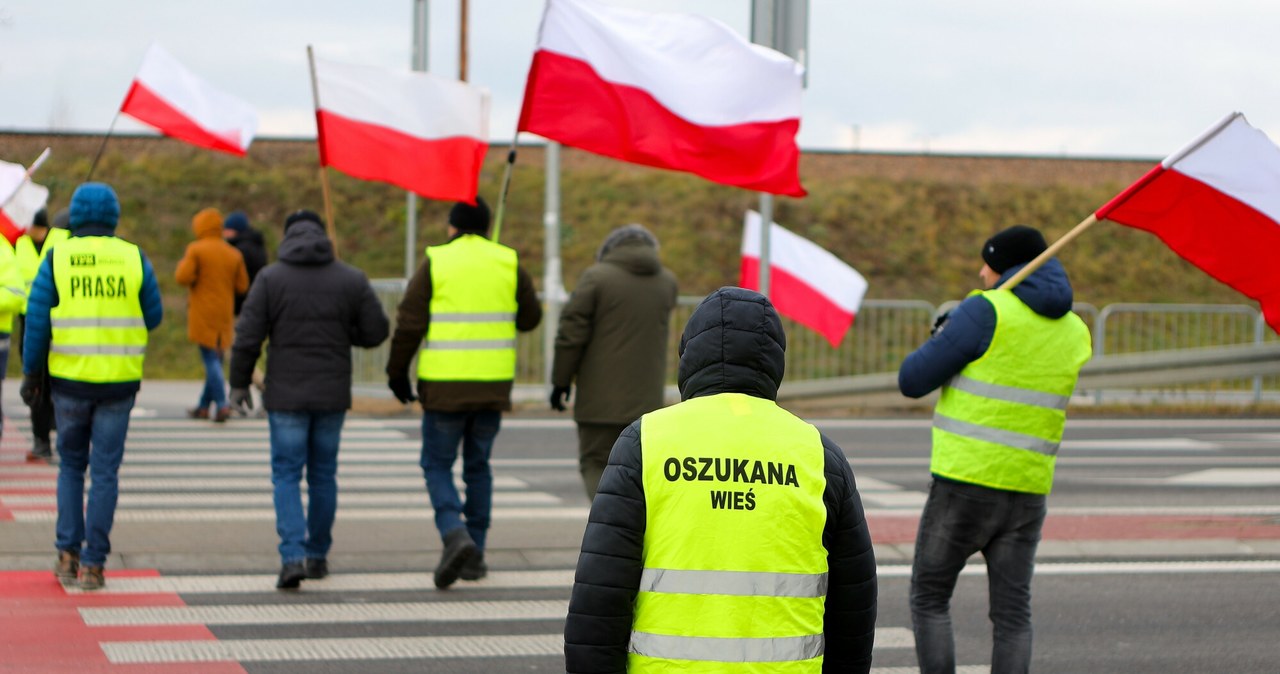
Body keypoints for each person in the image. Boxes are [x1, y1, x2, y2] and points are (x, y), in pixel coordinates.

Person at [564, 287, 878, 673]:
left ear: (690, 355)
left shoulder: (644, 442)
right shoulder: (819, 454)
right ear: (775, 361)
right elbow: (854, 606)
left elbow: (600, 596)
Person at [898, 225, 1091, 674]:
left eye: (988, 263)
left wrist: (944, 333)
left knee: (929, 598)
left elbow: (912, 380)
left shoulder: (985, 311)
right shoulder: (1076, 331)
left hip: (964, 483)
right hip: (1028, 489)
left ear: (1005, 268)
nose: (981, 272)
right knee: (1012, 617)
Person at [385, 196, 542, 589]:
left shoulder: (437, 261)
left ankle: (455, 533)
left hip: (443, 387)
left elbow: (409, 321)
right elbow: (530, 318)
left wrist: (396, 373)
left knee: (436, 465)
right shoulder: (507, 261)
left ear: (453, 226)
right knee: (478, 468)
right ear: (488, 226)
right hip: (492, 387)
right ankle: (476, 555)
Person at [227, 209, 389, 590]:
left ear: (287, 238)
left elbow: (248, 337)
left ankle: (291, 556)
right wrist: (344, 330)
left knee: (286, 474)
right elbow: (376, 331)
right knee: (322, 475)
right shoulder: (349, 278)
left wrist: (238, 385)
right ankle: (317, 556)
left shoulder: (270, 278)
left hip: (285, 395)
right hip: (331, 395)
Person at [20, 182, 164, 591]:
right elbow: (153, 316)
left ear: (77, 216)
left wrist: (32, 375)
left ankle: (67, 554)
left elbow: (37, 321)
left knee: (70, 467)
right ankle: (95, 565)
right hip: (119, 384)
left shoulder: (57, 257)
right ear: (114, 216)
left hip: (69, 383)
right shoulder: (134, 257)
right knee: (105, 473)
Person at [549, 223, 678, 500]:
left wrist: (561, 381)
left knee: (596, 463)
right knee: (638, 472)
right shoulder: (667, 282)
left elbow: (571, 334)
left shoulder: (596, 278)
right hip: (647, 404)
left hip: (599, 403)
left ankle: (608, 532)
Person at [175, 207, 249, 422]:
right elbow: (242, 285)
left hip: (203, 313)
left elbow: (182, 277)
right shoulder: (233, 253)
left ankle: (222, 404)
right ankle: (204, 406)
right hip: (224, 312)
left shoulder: (196, 250)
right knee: (215, 357)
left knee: (210, 358)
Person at [14, 207, 70, 461]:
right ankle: (41, 440)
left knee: (57, 381)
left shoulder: (62, 240)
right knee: (36, 381)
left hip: (59, 320)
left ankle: (57, 430)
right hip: (28, 318)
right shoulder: (19, 244)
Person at [222, 210, 267, 315]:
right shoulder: (256, 244)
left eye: (228, 229)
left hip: (242, 302)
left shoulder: (241, 249)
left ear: (236, 230)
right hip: (257, 299)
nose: (224, 233)